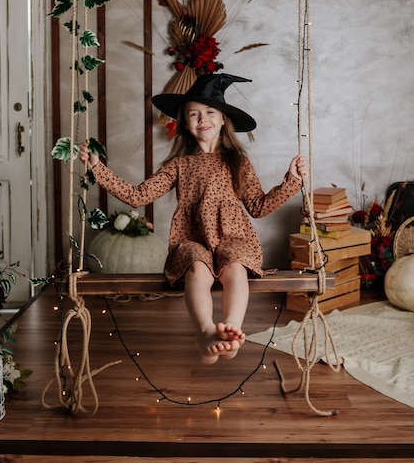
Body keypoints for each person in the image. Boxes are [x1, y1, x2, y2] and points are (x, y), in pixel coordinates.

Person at [79, 73, 308, 364]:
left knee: (235, 266)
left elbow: (258, 206)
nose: (203, 119)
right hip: (192, 239)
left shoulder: (238, 162)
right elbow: (138, 196)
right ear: (185, 123)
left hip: (234, 238)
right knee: (196, 267)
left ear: (224, 119)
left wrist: (292, 180)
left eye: (211, 112)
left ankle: (233, 330)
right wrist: (98, 168)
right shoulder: (178, 165)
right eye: (194, 114)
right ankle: (205, 332)